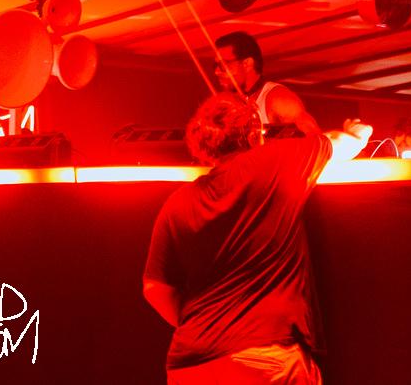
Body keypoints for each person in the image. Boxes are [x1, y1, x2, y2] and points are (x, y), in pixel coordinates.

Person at [143, 93, 370, 383]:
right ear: (253, 133)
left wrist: (203, 328)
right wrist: (357, 132)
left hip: (190, 362)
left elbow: (155, 287)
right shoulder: (278, 161)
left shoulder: (178, 202)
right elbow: (340, 144)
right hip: (264, 357)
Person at [211, 33, 319, 138]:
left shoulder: (278, 98)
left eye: (223, 65)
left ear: (247, 64)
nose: (216, 71)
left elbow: (316, 140)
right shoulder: (227, 106)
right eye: (215, 65)